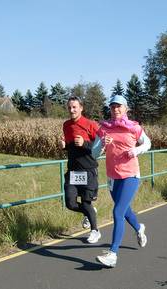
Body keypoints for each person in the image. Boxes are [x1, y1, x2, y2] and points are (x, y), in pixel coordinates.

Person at [93, 95, 151, 268]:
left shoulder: (134, 127)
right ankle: (139, 228)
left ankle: (113, 254)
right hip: (113, 177)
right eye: (112, 107)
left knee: (117, 212)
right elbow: (94, 154)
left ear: (126, 108)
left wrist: (136, 150)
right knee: (125, 211)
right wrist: (102, 144)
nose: (115, 109)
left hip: (130, 175)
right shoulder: (104, 128)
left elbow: (147, 143)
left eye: (119, 106)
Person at [58, 96, 101, 244]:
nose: (72, 110)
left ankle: (95, 230)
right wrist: (65, 146)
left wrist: (85, 143)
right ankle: (90, 213)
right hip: (73, 171)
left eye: (74, 107)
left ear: (81, 108)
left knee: (86, 202)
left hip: (88, 169)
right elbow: (72, 147)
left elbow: (100, 147)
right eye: (69, 107)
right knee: (70, 203)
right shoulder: (66, 125)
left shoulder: (90, 124)